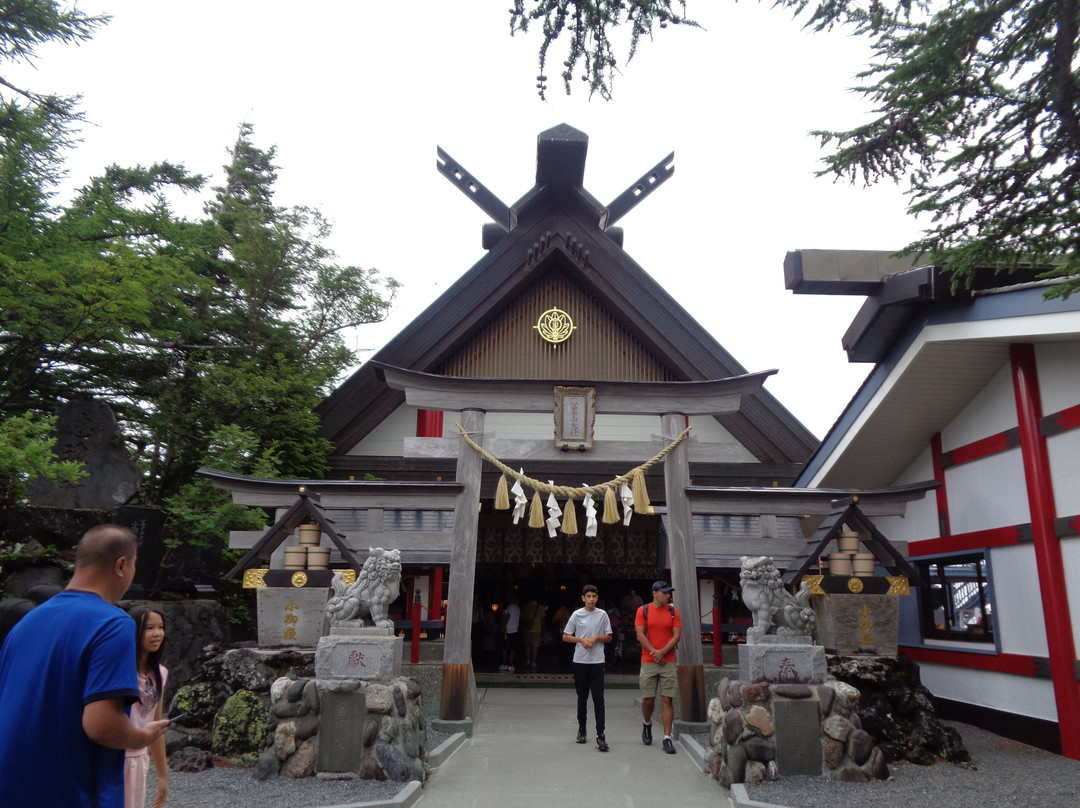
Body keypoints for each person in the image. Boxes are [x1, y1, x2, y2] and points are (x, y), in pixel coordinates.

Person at [0, 524, 170, 808]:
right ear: (121, 565)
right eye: (134, 565)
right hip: (70, 789)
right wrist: (143, 736)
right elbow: (102, 725)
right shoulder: (111, 623)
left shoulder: (27, 623)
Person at [125, 605, 169, 808]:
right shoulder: (121, 671)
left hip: (140, 759)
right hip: (116, 756)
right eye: (148, 628)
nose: (156, 633)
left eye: (160, 627)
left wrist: (162, 776)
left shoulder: (159, 673)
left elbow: (157, 726)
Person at [562, 583, 612, 752]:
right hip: (580, 661)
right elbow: (566, 636)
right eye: (588, 596)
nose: (591, 599)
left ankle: (601, 735)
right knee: (582, 697)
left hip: (597, 661)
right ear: (583, 598)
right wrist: (581, 640)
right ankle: (582, 730)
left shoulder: (602, 615)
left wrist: (597, 637)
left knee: (599, 698)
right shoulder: (577, 615)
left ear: (597, 598)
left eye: (594, 596)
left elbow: (609, 637)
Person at [635, 580, 682, 755]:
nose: (668, 595)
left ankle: (667, 737)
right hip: (648, 660)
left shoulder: (673, 612)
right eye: (664, 592)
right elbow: (640, 633)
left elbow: (676, 635)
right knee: (648, 699)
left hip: (668, 660)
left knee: (667, 699)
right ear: (654, 593)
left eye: (668, 592)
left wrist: (663, 652)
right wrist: (655, 652)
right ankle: (647, 723)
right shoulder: (643, 611)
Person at [519, 594, 546, 671]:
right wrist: (543, 631)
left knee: (527, 645)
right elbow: (543, 620)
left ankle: (528, 660)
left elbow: (522, 619)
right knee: (535, 646)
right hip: (537, 629)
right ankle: (533, 662)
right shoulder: (540, 607)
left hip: (527, 629)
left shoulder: (526, 606)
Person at [498, 594, 521, 672]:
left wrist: (503, 626)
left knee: (504, 648)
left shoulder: (510, 607)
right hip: (514, 630)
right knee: (512, 648)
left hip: (507, 630)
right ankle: (510, 665)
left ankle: (505, 664)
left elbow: (507, 616)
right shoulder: (518, 608)